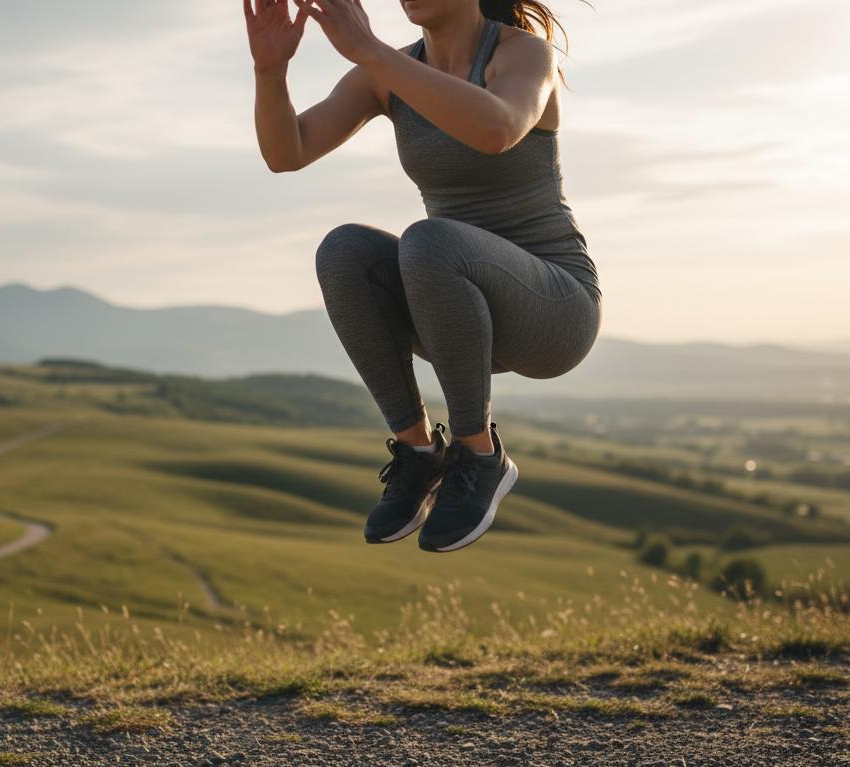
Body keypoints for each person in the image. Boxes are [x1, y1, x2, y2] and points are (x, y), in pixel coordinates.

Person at [244, 0, 601, 552]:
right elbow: (286, 152)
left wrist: (368, 50)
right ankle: (416, 452)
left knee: (429, 238)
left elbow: (496, 128)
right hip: (453, 308)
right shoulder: (383, 74)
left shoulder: (523, 55)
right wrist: (270, 72)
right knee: (344, 251)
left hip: (554, 309)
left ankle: (479, 455)